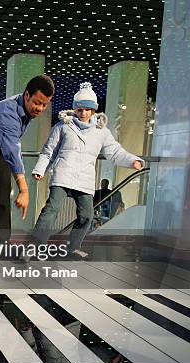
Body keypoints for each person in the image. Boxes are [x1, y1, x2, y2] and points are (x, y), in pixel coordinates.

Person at [29, 83, 143, 260]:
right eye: (80, 109)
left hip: (85, 179)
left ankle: (73, 248)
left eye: (87, 109)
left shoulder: (101, 132)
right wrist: (40, 169)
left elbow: (114, 152)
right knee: (51, 210)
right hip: (63, 174)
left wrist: (132, 161)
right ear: (75, 108)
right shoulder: (62, 126)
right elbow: (48, 150)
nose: (83, 113)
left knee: (86, 216)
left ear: (93, 110)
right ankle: (33, 247)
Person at [0, 75, 54, 245]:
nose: (40, 108)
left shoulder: (26, 110)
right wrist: (24, 189)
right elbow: (12, 150)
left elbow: (9, 147)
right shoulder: (7, 112)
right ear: (26, 95)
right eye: (37, 102)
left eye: (45, 105)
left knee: (2, 194)